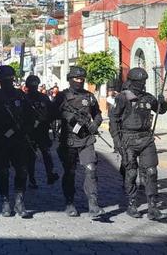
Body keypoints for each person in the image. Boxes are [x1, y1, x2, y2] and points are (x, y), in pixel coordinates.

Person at [109, 68, 167, 220]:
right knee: (131, 173)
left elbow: (160, 110)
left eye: (143, 82)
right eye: (138, 82)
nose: (141, 84)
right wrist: (117, 141)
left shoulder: (148, 98)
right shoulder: (123, 97)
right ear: (131, 81)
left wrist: (162, 102)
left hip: (146, 138)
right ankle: (132, 204)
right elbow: (114, 119)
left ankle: (153, 207)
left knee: (151, 171)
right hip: (128, 138)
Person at [54, 66, 105, 218]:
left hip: (86, 138)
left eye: (82, 79)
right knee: (70, 173)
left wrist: (95, 124)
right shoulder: (62, 96)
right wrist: (68, 116)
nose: (79, 81)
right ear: (70, 79)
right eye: (76, 79)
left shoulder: (89, 96)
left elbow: (98, 114)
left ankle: (93, 204)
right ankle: (69, 203)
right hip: (68, 139)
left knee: (91, 169)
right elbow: (51, 112)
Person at [0, 66, 31, 217]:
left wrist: (25, 128)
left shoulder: (20, 95)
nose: (8, 82)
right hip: (2, 139)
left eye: (10, 78)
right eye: (6, 79)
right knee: (3, 171)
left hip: (19, 139)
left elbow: (30, 115)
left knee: (22, 170)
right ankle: (5, 201)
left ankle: (19, 201)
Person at [23, 75, 59, 188]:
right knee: (30, 157)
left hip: (42, 131)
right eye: (31, 86)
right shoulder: (24, 99)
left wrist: (47, 120)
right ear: (27, 86)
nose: (33, 88)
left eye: (35, 86)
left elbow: (52, 112)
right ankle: (32, 180)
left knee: (46, 153)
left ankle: (50, 174)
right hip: (29, 132)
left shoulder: (44, 98)